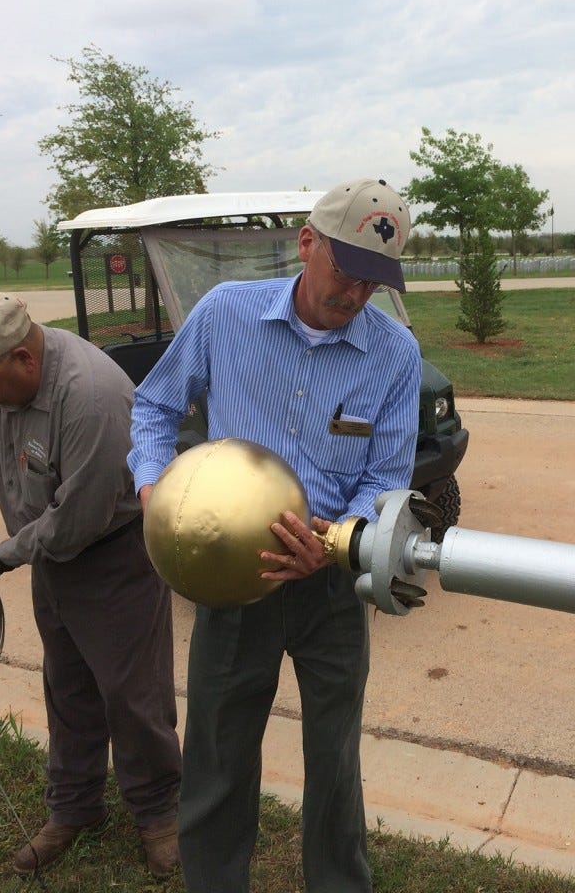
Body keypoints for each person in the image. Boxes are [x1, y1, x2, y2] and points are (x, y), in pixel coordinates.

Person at [129, 178, 421, 892]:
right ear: (307, 244)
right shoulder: (225, 314)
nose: (354, 294)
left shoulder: (395, 354)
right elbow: (154, 405)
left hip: (331, 588)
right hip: (231, 583)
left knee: (334, 763)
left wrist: (330, 538)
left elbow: (385, 479)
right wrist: (154, 486)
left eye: (373, 282)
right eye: (344, 270)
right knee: (219, 760)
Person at [0, 292, 182, 879]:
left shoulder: (91, 397)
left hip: (113, 555)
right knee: (67, 686)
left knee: (132, 694)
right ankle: (74, 808)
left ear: (24, 359)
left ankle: (158, 814)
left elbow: (78, 519)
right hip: (52, 557)